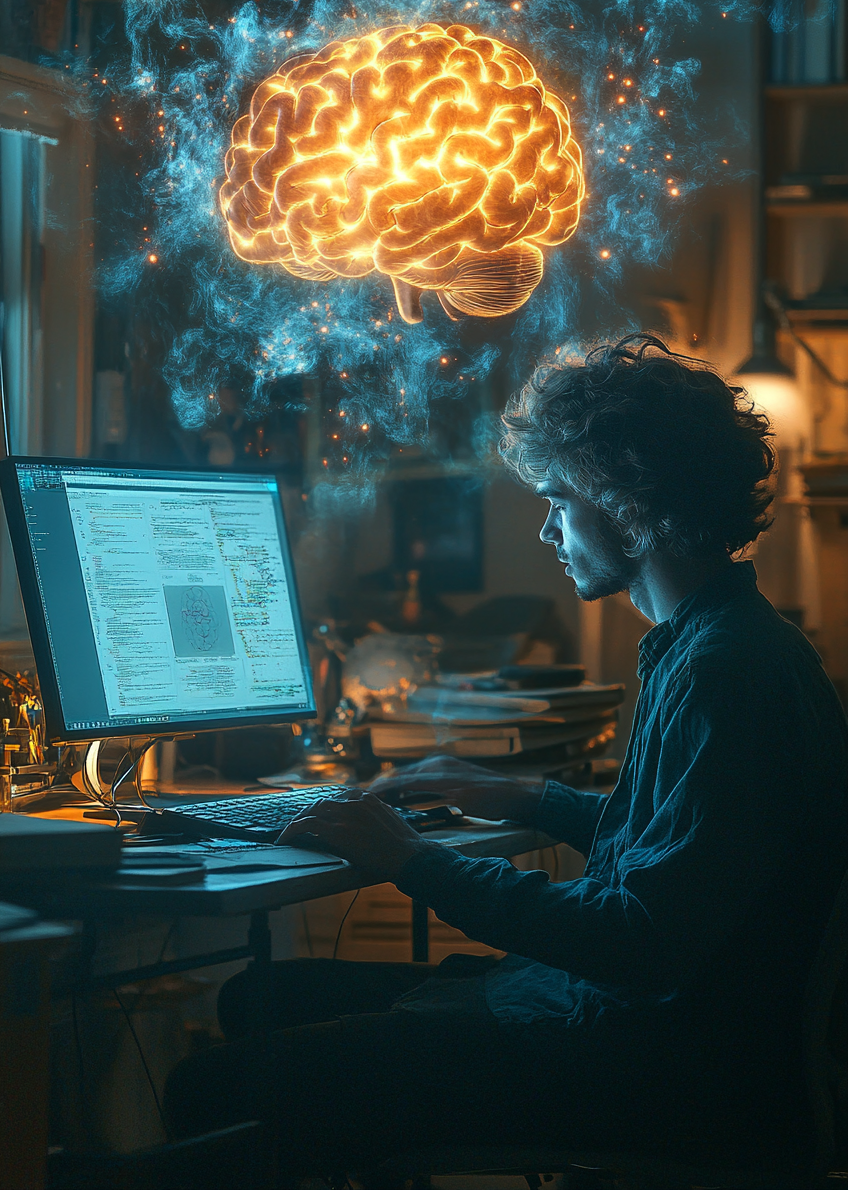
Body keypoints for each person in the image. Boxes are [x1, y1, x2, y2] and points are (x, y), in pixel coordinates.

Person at [164, 335, 848, 1183]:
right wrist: (532, 800)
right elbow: (699, 849)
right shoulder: (728, 644)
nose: (548, 529)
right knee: (257, 999)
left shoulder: (724, 673)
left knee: (213, 1087)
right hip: (660, 1033)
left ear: (628, 503)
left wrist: (409, 859)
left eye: (559, 500)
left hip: (661, 1072)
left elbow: (641, 939)